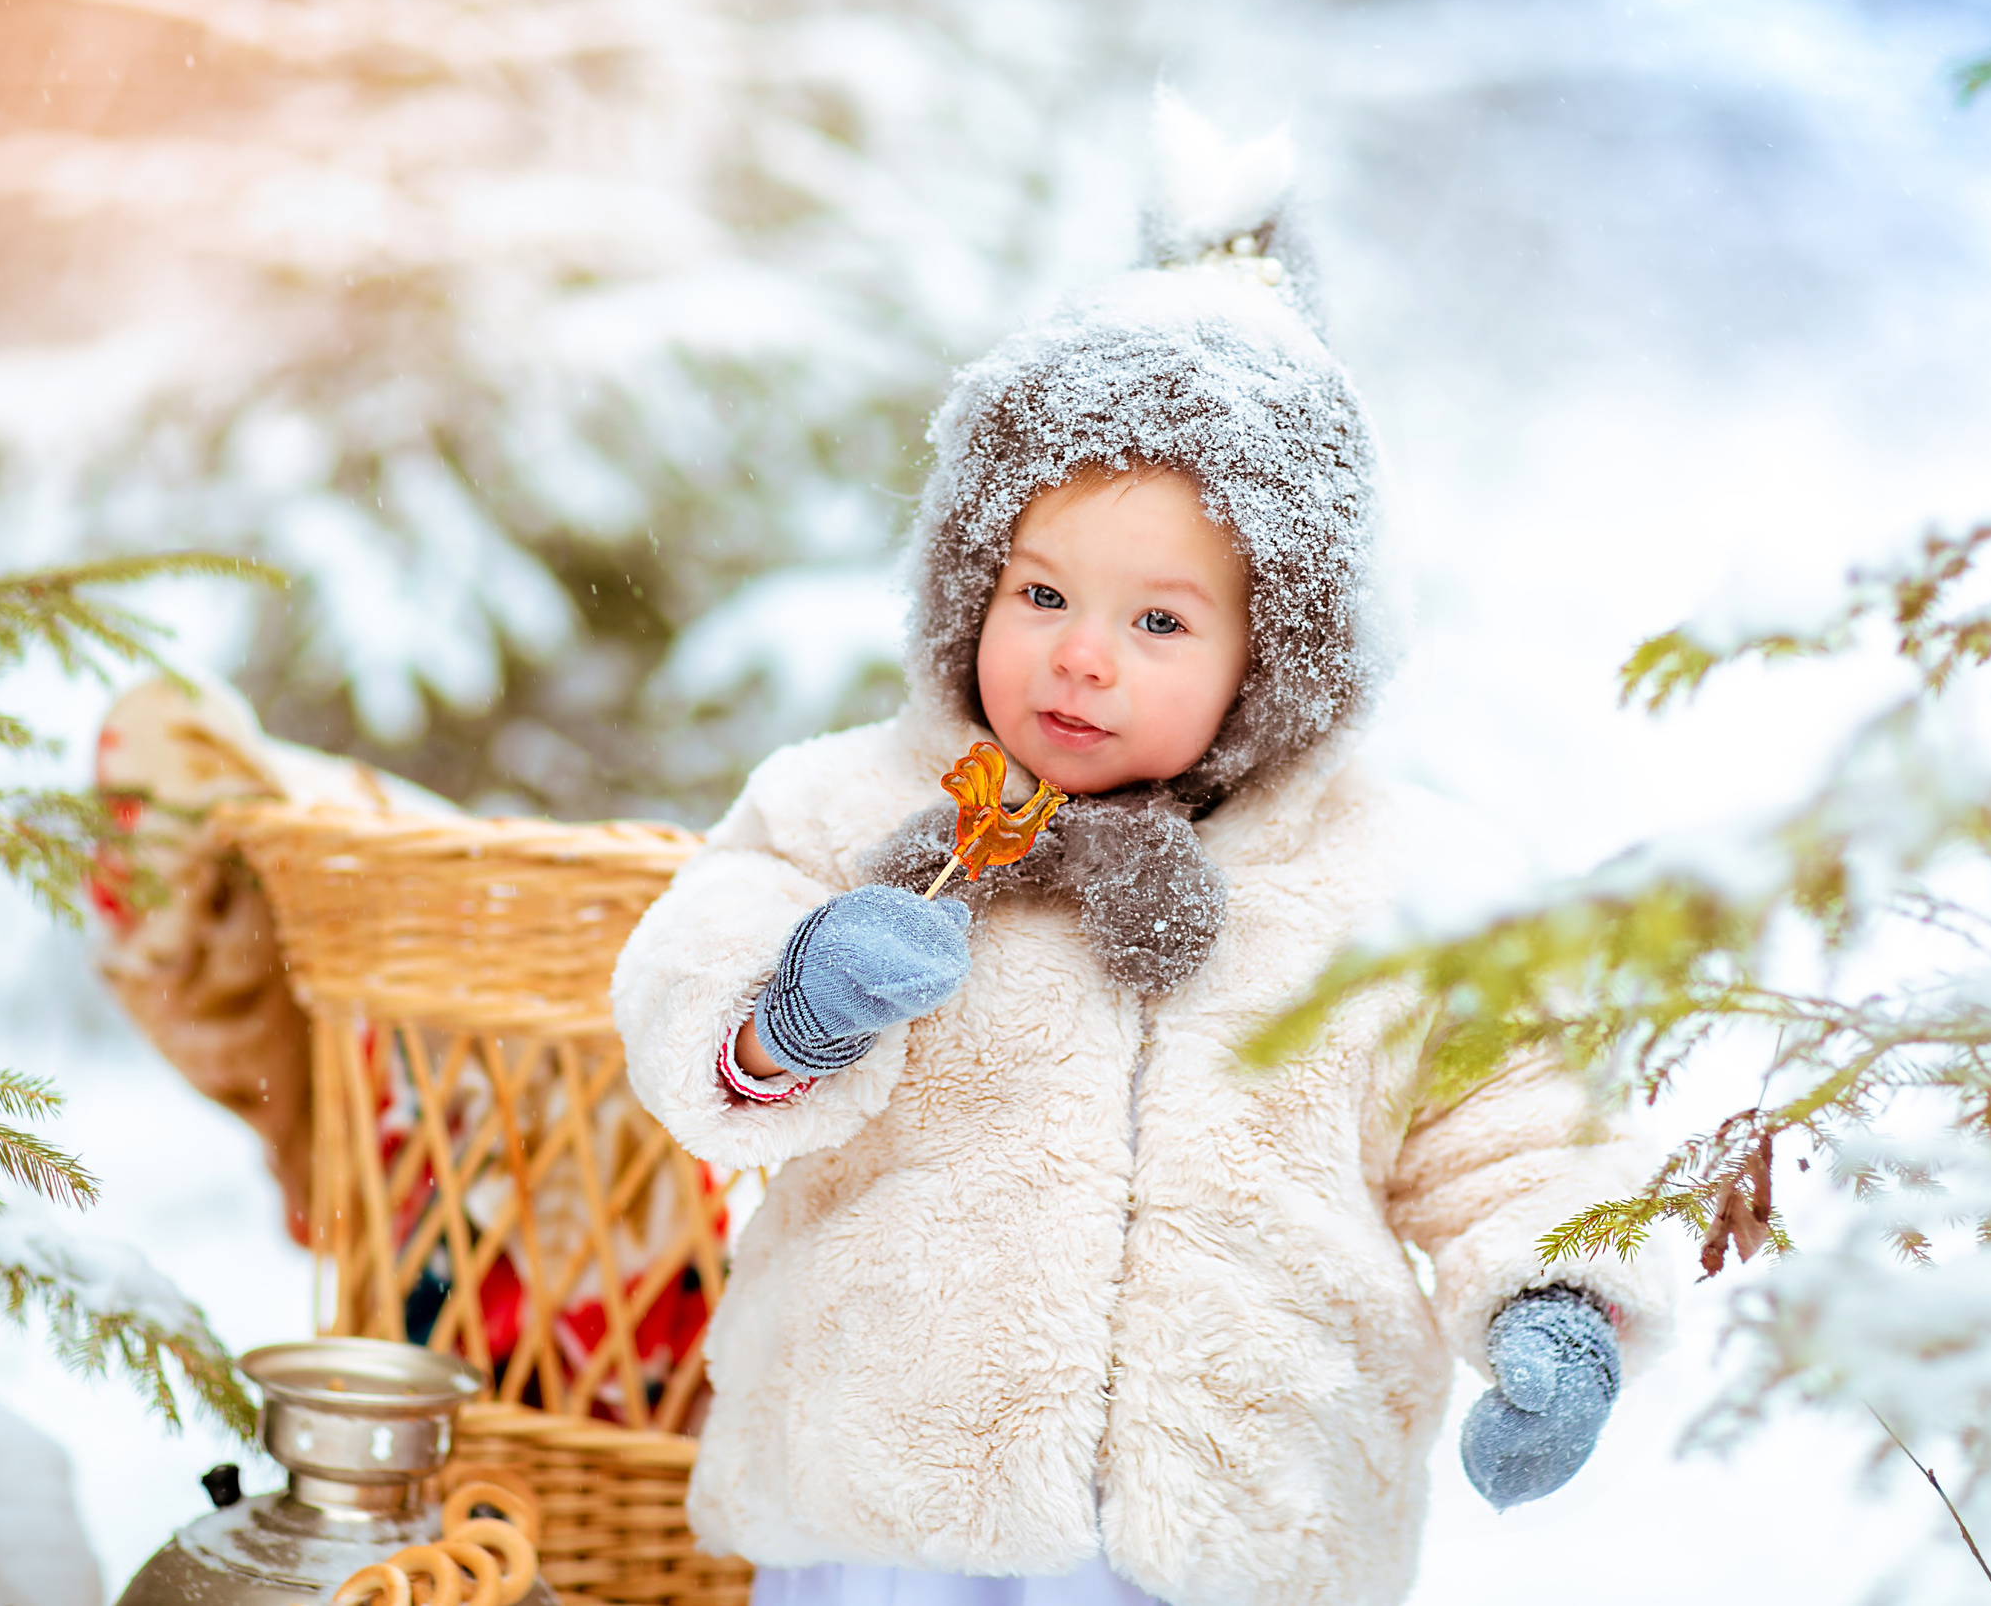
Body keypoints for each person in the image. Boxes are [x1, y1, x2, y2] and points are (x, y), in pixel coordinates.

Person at [614, 100, 1673, 1606]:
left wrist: (1557, 1306)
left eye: (1158, 621)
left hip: (1244, 1525)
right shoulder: (850, 809)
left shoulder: (1394, 884)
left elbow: (1519, 1121)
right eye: (1039, 593)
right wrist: (789, 1011)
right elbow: (681, 976)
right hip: (890, 1514)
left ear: (1281, 652)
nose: (1080, 659)